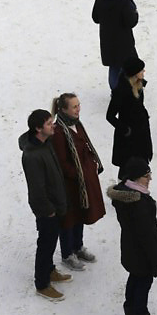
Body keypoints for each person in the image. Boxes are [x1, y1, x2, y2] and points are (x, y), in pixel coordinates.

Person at [107, 155, 157, 315]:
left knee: (134, 278)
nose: (150, 179)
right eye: (146, 175)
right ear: (134, 177)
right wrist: (155, 259)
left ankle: (130, 312)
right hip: (142, 252)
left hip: (130, 249)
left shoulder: (126, 196)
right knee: (143, 283)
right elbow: (146, 234)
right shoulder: (138, 203)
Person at [18, 109, 72, 301]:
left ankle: (49, 270)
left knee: (51, 240)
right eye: (49, 124)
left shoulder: (46, 142)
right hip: (46, 209)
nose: (53, 125)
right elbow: (37, 189)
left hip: (55, 204)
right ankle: (42, 284)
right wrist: (48, 211)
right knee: (46, 245)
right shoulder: (32, 156)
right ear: (38, 129)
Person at [50, 93, 105, 271]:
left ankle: (78, 246)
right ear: (63, 109)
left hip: (83, 180)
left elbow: (85, 146)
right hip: (69, 185)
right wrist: (79, 173)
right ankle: (67, 253)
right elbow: (62, 162)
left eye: (78, 105)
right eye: (74, 106)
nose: (78, 109)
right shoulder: (58, 132)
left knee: (81, 213)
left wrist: (91, 163)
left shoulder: (76, 124)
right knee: (68, 218)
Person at [92, 0, 139, 92]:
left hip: (108, 41)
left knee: (114, 67)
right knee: (129, 65)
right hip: (124, 41)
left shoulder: (100, 0)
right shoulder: (124, 1)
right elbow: (132, 21)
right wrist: (136, 13)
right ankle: (132, 90)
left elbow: (95, 18)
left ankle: (115, 91)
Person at [106, 56, 153, 175]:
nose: (144, 72)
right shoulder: (121, 91)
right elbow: (110, 116)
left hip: (141, 133)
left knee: (142, 165)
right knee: (127, 168)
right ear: (134, 73)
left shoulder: (138, 85)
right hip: (128, 138)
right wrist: (125, 129)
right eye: (141, 70)